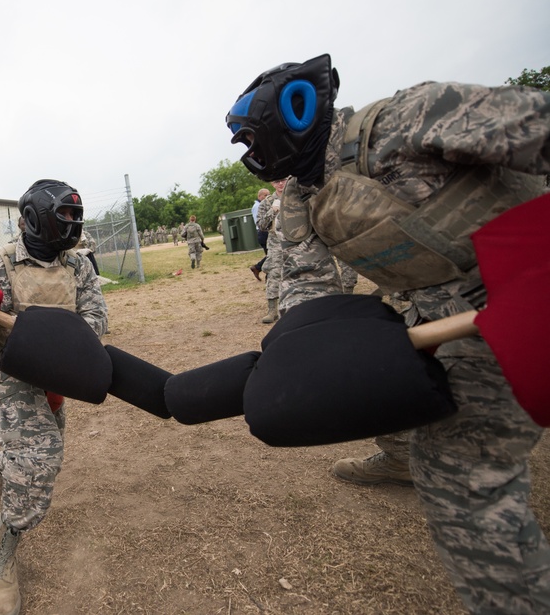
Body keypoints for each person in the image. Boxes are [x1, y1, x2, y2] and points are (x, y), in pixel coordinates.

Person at [226, 53, 550, 614]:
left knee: (464, 488)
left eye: (251, 138)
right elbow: (306, 283)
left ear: (292, 114)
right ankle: (398, 452)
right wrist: (306, 358)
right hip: (438, 317)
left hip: (526, 286)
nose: (249, 155)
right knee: (375, 372)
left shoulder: (406, 120)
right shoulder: (302, 196)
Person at [0, 179, 108, 615]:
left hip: (60, 368)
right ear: (33, 218)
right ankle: (2, 548)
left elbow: (96, 321)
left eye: (74, 217)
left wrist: (55, 345)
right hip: (10, 371)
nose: (71, 224)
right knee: (41, 456)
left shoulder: (79, 266)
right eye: (63, 215)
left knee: (38, 447)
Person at [255, 179, 289, 323]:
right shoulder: (267, 202)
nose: (281, 184)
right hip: (276, 243)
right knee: (274, 274)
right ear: (272, 184)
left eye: (284, 180)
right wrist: (272, 211)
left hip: (298, 241)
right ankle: (272, 310)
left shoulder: (298, 196)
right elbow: (261, 225)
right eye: (277, 181)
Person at [249, 187, 271, 281]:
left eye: (269, 195)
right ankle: (263, 272)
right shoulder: (258, 206)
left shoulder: (264, 204)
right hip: (263, 232)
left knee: (271, 255)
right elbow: (259, 221)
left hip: (266, 232)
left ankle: (258, 268)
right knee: (271, 255)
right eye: (265, 195)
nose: (267, 197)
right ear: (259, 196)